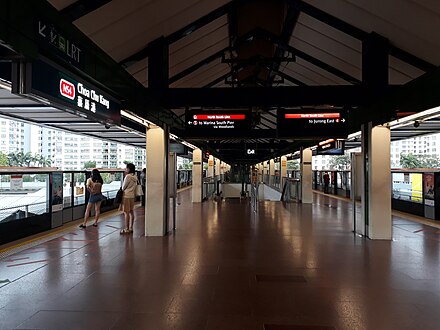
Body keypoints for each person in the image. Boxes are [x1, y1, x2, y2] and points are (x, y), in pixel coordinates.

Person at [120, 163, 137, 234]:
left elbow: (123, 187)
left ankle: (126, 229)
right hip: (132, 196)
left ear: (129, 169)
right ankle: (131, 227)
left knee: (126, 213)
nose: (125, 169)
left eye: (126, 168)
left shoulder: (127, 176)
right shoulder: (135, 176)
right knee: (131, 212)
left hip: (126, 196)